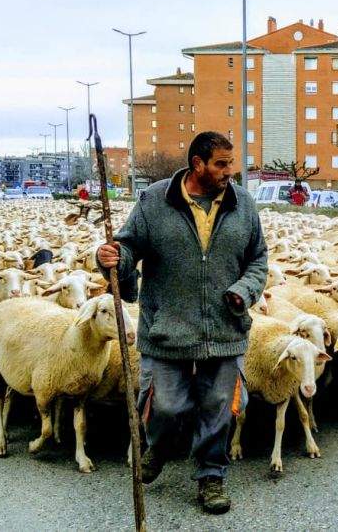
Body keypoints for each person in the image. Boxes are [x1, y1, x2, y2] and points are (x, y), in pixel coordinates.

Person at [96, 131, 267, 514]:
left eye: (231, 162)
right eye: (221, 164)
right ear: (197, 164)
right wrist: (113, 258)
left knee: (219, 407)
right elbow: (128, 247)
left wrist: (244, 290)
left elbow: (258, 258)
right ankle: (160, 446)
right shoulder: (155, 201)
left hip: (224, 327)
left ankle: (211, 476)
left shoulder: (243, 204)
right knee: (166, 406)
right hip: (167, 327)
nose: (229, 171)